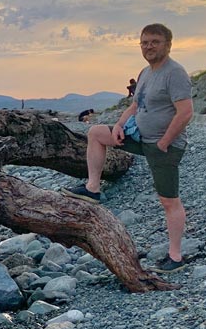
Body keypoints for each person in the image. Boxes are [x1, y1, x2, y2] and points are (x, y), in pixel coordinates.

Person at [66, 23, 194, 272]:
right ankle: (92, 188)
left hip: (163, 146)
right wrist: (119, 125)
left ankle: (175, 257)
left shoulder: (175, 73)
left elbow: (186, 112)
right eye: (144, 42)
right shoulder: (146, 72)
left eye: (155, 42)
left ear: (168, 44)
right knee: (96, 133)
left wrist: (165, 141)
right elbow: (135, 106)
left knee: (169, 202)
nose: (149, 47)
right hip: (139, 137)